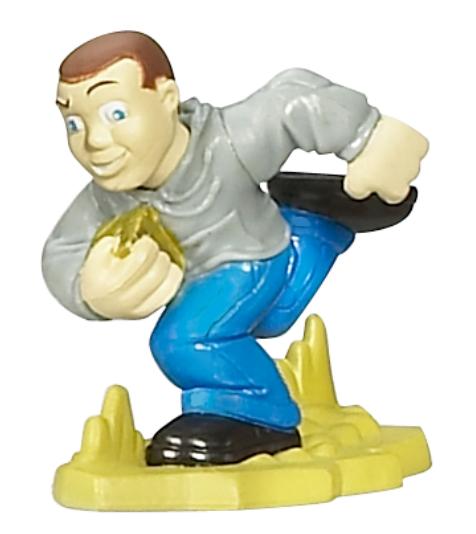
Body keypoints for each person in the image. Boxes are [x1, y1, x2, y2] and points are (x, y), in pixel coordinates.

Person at [42, 31, 428, 466]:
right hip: (215, 272)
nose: (94, 140)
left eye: (116, 113)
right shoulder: (105, 197)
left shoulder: (225, 142)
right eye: (74, 123)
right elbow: (61, 249)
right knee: (269, 320)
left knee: (185, 340)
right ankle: (312, 228)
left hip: (249, 257)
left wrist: (368, 135)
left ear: (166, 98)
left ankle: (262, 413)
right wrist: (87, 290)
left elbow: (291, 98)